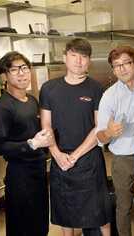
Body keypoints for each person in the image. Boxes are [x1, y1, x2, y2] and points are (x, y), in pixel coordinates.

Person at [39, 38, 111, 236]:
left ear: (89, 61)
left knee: (101, 214)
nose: (79, 61)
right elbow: (46, 126)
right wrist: (57, 154)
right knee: (65, 214)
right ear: (65, 58)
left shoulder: (96, 88)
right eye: (74, 55)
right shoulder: (48, 88)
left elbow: (99, 127)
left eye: (84, 56)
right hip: (59, 160)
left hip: (89, 160)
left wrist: (74, 156)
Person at [0, 51, 51, 236]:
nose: (22, 73)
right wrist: (31, 144)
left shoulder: (31, 100)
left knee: (40, 224)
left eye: (24, 68)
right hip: (20, 176)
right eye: (15, 70)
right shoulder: (1, 108)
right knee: (23, 227)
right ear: (4, 75)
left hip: (39, 172)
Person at [96, 45, 134, 236]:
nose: (122, 69)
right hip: (123, 160)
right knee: (123, 207)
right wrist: (109, 132)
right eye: (117, 65)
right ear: (113, 69)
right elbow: (100, 136)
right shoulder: (109, 96)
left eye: (126, 63)